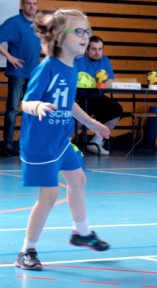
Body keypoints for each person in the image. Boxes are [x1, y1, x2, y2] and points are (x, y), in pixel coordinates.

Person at [16, 9, 110, 271]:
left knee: (78, 180)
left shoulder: (72, 67)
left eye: (87, 31)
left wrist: (91, 123)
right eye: (78, 31)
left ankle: (81, 232)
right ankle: (26, 250)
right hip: (40, 143)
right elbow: (25, 102)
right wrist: (38, 107)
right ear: (59, 37)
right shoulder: (47, 67)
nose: (86, 36)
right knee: (49, 196)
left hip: (61, 140)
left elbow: (68, 103)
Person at [0, 0, 41, 156]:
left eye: (35, 3)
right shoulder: (14, 22)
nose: (32, 6)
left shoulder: (37, 24)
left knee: (32, 110)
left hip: (34, 74)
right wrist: (9, 57)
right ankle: (8, 143)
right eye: (29, 3)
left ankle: (26, 142)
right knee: (12, 109)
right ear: (22, 5)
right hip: (17, 73)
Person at [75, 36, 123, 156]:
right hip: (81, 96)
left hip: (97, 96)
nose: (97, 53)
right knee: (77, 119)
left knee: (116, 110)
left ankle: (96, 141)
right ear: (87, 49)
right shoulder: (79, 60)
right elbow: (78, 80)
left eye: (100, 49)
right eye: (94, 49)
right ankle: (64, 144)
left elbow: (111, 80)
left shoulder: (105, 60)